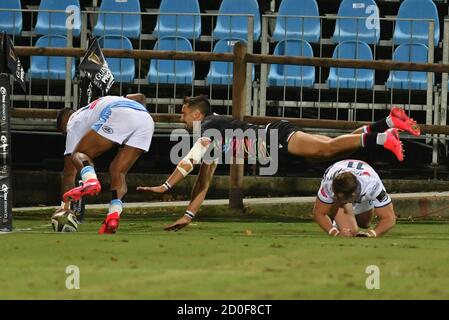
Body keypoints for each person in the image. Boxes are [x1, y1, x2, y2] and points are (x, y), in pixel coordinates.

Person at [137, 95, 419, 231]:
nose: (180, 119)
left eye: (184, 114)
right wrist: (188, 216)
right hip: (274, 141)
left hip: (275, 138)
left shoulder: (207, 128)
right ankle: (388, 123)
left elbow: (190, 160)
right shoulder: (215, 132)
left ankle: (383, 139)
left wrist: (165, 185)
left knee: (327, 149)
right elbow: (203, 179)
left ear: (197, 115)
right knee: (329, 145)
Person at [55, 93, 154, 234]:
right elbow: (141, 97)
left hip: (120, 114)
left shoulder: (73, 122)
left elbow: (69, 173)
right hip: (146, 120)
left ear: (64, 126)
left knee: (78, 154)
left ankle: (90, 181)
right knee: (117, 171)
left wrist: (64, 207)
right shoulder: (97, 105)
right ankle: (113, 216)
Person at [313, 159, 396, 237]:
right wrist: (335, 232)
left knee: (365, 223)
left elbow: (390, 218)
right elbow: (319, 213)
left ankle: (346, 215)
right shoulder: (328, 184)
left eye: (340, 198)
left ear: (353, 195)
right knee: (350, 232)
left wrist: (372, 234)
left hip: (363, 187)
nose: (337, 198)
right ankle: (337, 219)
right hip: (339, 169)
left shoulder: (373, 187)